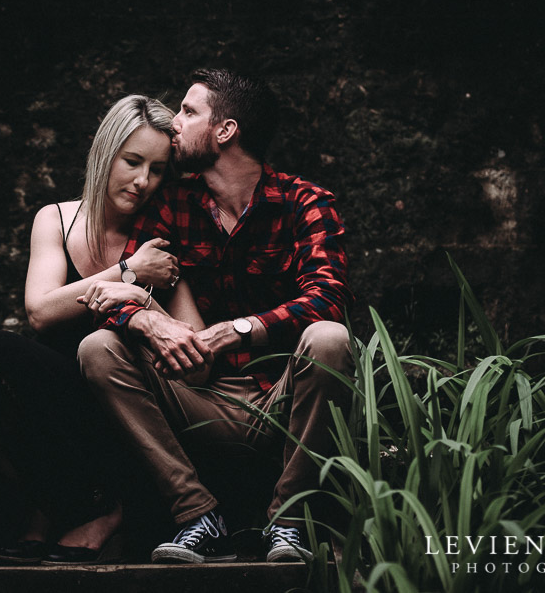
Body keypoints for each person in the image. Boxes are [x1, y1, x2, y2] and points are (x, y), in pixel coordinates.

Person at [77, 68, 354, 564]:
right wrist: (145, 319)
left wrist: (244, 329)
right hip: (198, 394)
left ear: (225, 131)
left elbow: (329, 296)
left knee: (330, 337)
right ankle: (197, 516)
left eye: (188, 111)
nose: (174, 123)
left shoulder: (304, 203)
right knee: (97, 347)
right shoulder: (172, 203)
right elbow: (121, 295)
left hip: (281, 398)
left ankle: (288, 523)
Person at [0, 94, 184, 565]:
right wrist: (129, 273)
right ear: (105, 152)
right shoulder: (57, 218)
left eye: (157, 169)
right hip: (48, 395)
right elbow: (42, 311)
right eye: (132, 162)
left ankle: (97, 510)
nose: (142, 181)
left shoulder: (162, 231)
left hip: (115, 402)